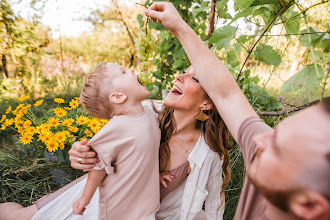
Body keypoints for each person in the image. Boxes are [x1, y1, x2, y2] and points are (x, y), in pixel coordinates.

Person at [139, 2, 330, 220]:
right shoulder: (145, 115)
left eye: (276, 147)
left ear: (308, 206)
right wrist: (179, 27)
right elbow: (226, 95)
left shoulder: (211, 155)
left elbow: (213, 205)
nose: (258, 141)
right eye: (273, 132)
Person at [0, 64, 231, 219]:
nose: (179, 76)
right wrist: (79, 152)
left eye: (194, 78)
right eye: (184, 71)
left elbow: (213, 204)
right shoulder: (145, 113)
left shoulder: (207, 153)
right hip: (100, 201)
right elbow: (103, 147)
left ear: (206, 104)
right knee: (24, 215)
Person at [72, 62, 161, 219]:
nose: (132, 70)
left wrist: (157, 173)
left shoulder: (149, 113)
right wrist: (86, 198)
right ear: (118, 96)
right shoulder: (116, 128)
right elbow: (98, 166)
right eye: (124, 72)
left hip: (144, 204)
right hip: (120, 209)